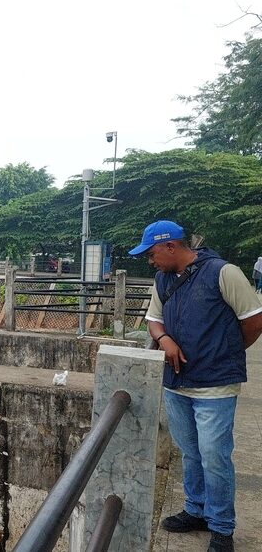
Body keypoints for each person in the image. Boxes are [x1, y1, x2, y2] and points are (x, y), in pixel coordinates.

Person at [129, 220, 262, 552]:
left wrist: (225, 352)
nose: (150, 261)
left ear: (171, 246)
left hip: (215, 385)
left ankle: (221, 527)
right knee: (190, 452)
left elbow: (254, 319)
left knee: (214, 456)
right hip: (176, 382)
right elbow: (153, 319)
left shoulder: (223, 273)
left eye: (152, 253)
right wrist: (164, 340)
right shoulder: (162, 279)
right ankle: (196, 509)